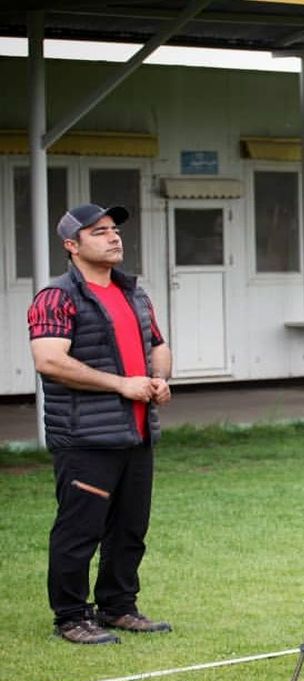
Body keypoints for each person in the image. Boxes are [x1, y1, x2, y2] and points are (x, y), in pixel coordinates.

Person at [27, 203, 173, 645]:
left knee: (130, 527)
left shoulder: (134, 293)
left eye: (114, 230)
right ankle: (70, 616)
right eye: (99, 232)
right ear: (71, 246)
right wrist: (121, 385)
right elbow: (49, 360)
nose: (113, 238)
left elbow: (158, 345)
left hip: (136, 432)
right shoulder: (57, 297)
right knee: (80, 529)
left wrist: (158, 379)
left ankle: (118, 606)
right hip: (85, 437)